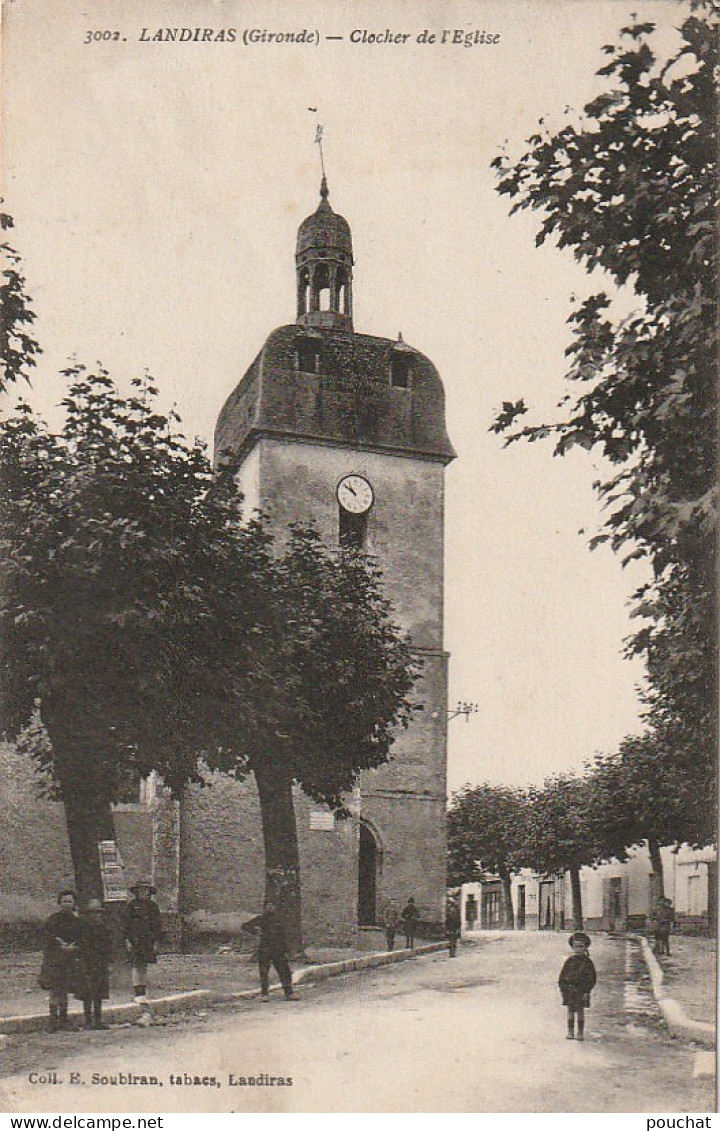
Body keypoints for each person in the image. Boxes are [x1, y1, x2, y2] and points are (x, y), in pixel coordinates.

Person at [39, 889, 82, 1032]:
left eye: (70, 901)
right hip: (55, 959)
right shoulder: (53, 919)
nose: (67, 904)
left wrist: (73, 946)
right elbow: (48, 936)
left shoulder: (77, 921)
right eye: (64, 901)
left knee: (64, 989)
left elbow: (80, 937)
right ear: (59, 903)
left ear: (74, 903)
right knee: (54, 989)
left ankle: (63, 1019)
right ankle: (52, 1020)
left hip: (69, 959)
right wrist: (60, 944)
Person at [243, 900, 294, 1002]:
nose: (270, 907)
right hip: (265, 949)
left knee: (284, 971)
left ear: (275, 907)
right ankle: (264, 994)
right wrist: (255, 931)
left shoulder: (280, 919)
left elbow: (285, 936)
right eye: (268, 906)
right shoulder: (261, 919)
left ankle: (289, 993)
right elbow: (245, 926)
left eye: (272, 905)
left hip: (279, 950)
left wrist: (287, 950)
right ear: (265, 907)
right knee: (264, 972)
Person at [122, 878, 162, 1002]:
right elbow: (126, 924)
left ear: (149, 892)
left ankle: (143, 991)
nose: (143, 893)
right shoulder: (132, 906)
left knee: (144, 966)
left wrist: (156, 941)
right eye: (140, 890)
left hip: (148, 940)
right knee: (136, 965)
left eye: (146, 890)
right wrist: (127, 940)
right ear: (137, 892)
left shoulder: (153, 906)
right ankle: (137, 992)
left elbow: (157, 925)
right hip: (135, 939)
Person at [77, 898, 112, 1030]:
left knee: (99, 992)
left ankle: (97, 1019)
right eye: (92, 913)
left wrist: (108, 961)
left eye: (98, 912)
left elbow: (108, 944)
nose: (95, 915)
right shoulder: (84, 927)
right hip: (88, 962)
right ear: (88, 914)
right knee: (87, 992)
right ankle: (88, 1020)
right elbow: (82, 945)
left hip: (101, 962)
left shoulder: (103, 926)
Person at [558, 931, 597, 1041]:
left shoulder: (588, 962)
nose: (578, 949)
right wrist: (563, 988)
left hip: (582, 991)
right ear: (572, 948)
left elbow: (592, 978)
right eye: (576, 947)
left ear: (585, 947)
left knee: (580, 1011)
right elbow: (562, 976)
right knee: (570, 1010)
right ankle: (570, 1031)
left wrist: (586, 990)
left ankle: (580, 1032)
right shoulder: (569, 961)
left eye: (581, 947)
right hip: (570, 990)